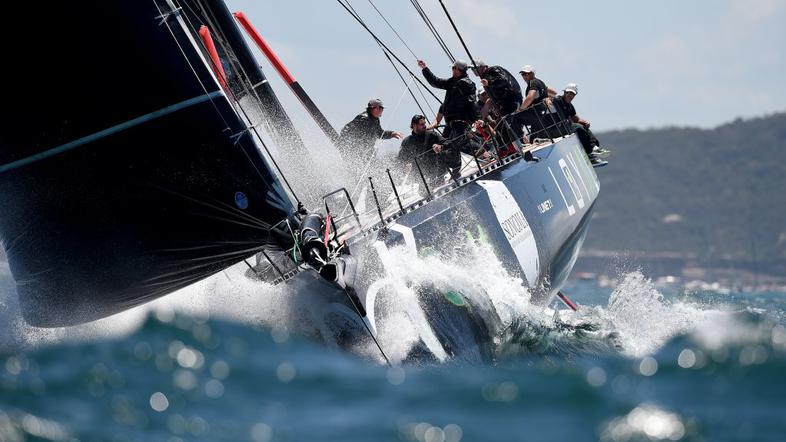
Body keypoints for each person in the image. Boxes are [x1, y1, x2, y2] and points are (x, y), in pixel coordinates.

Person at [417, 59, 481, 178]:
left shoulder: (467, 83)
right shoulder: (452, 82)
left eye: (453, 68)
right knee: (446, 144)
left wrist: (477, 118)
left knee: (453, 144)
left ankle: (483, 155)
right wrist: (425, 69)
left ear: (458, 69)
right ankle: (454, 169)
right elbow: (435, 82)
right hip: (450, 124)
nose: (451, 70)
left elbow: (472, 101)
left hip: (461, 122)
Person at [547, 83, 608, 166]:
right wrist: (547, 99)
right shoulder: (558, 100)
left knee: (583, 126)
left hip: (565, 126)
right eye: (568, 93)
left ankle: (594, 147)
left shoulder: (570, 106)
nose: (569, 95)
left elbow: (576, 118)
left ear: (574, 95)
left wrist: (584, 122)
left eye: (572, 94)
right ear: (564, 92)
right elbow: (549, 99)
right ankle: (589, 154)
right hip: (556, 129)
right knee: (578, 127)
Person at [337, 98, 403, 163]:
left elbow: (379, 133)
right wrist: (343, 143)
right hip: (354, 151)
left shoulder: (375, 120)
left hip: (366, 153)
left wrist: (391, 134)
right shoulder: (364, 118)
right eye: (380, 108)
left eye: (382, 109)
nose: (381, 110)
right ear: (373, 108)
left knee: (374, 161)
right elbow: (346, 129)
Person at [474, 60, 523, 143]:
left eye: (475, 69)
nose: (474, 71)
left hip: (511, 101)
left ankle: (520, 145)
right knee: (501, 128)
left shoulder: (493, 70)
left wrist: (490, 83)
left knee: (510, 126)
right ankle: (512, 149)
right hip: (504, 104)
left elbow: (503, 80)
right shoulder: (485, 77)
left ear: (482, 67)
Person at [398, 114, 449, 182]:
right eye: (422, 124)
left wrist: (441, 147)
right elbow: (401, 159)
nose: (425, 126)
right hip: (421, 178)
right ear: (414, 125)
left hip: (438, 172)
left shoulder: (432, 135)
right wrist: (405, 164)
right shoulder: (407, 141)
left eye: (424, 123)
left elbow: (448, 143)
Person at [516, 65, 556, 140]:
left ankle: (520, 141)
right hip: (541, 115)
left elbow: (530, 96)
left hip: (535, 114)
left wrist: (521, 109)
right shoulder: (540, 82)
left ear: (532, 74)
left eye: (527, 73)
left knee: (515, 117)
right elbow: (554, 92)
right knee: (533, 139)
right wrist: (549, 98)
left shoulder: (533, 82)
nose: (525, 76)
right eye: (523, 74)